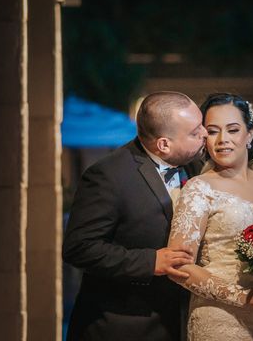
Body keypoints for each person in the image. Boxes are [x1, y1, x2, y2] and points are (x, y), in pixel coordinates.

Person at [63, 91, 208, 341]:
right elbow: (79, 248)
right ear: (164, 144)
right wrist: (150, 261)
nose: (205, 134)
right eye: (195, 132)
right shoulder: (108, 175)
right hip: (123, 325)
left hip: (183, 321)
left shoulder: (196, 167)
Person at [167, 93, 253, 340]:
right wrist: (245, 297)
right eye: (212, 131)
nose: (223, 140)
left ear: (250, 134)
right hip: (221, 320)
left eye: (232, 130)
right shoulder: (199, 188)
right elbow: (179, 266)